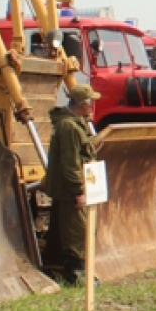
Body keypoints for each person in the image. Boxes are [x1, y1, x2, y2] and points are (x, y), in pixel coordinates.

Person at [45, 83, 99, 281]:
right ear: (82, 104)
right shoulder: (68, 127)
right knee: (77, 232)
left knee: (79, 229)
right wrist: (78, 191)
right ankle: (76, 274)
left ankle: (79, 271)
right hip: (71, 191)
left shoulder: (74, 124)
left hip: (73, 189)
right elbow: (70, 163)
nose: (92, 105)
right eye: (90, 102)